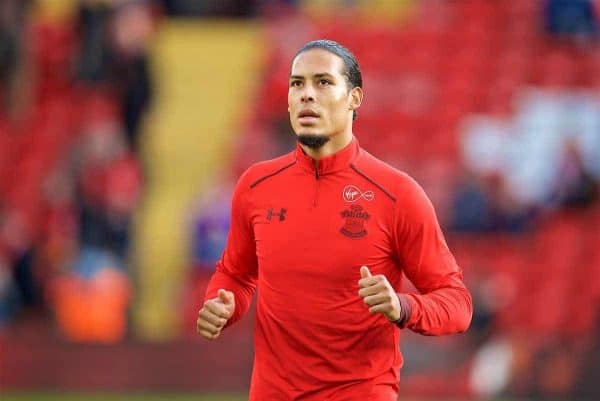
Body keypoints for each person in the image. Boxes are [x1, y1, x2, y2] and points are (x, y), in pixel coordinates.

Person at [197, 39, 472, 401]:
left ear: (354, 98)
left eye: (323, 82)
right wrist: (222, 303)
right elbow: (235, 274)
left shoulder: (397, 194)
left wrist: (403, 307)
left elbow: (458, 305)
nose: (307, 94)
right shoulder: (255, 186)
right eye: (298, 84)